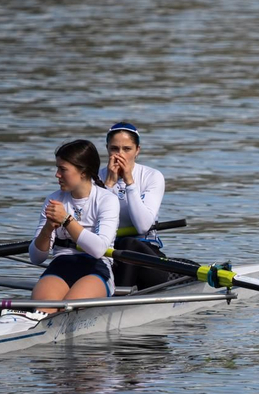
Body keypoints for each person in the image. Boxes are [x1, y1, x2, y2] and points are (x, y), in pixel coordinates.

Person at [30, 139, 120, 307]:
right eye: (57, 168)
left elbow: (98, 250)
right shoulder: (53, 200)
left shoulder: (107, 200)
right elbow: (36, 258)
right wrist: (48, 228)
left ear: (83, 172)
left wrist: (66, 220)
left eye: (63, 169)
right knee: (43, 309)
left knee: (70, 308)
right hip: (61, 264)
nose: (57, 174)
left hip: (97, 267)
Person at [102, 121, 171, 291]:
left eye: (127, 149)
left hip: (146, 255)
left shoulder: (152, 176)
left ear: (137, 150)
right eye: (114, 149)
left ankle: (118, 298)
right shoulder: (95, 177)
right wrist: (108, 185)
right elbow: (92, 223)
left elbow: (142, 226)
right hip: (106, 252)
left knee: (129, 243)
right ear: (107, 149)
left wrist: (129, 182)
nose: (120, 155)